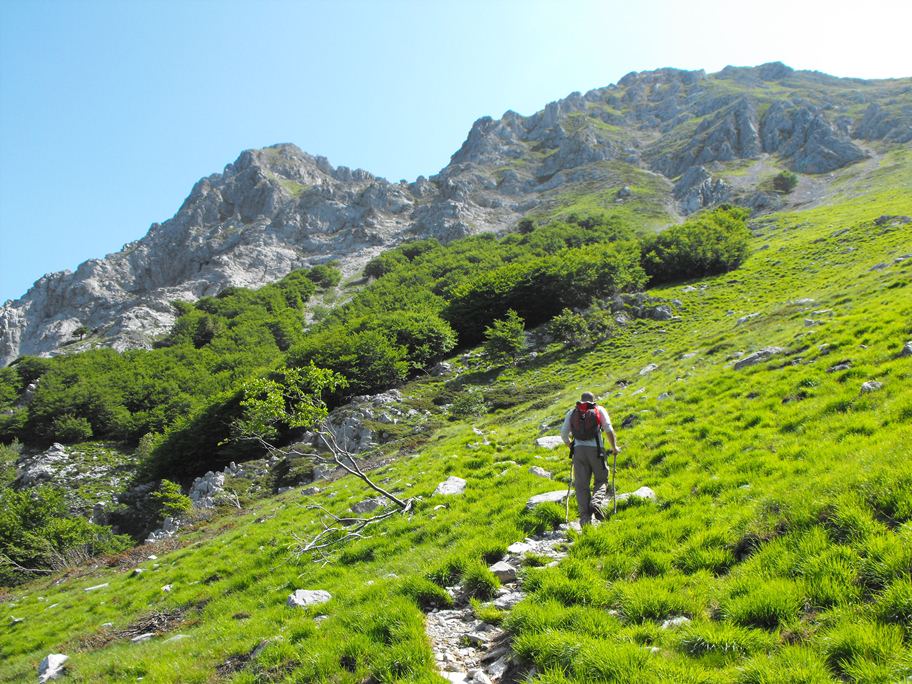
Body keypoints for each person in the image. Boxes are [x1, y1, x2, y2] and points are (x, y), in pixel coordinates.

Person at [560, 391, 620, 526]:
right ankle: (596, 502)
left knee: (581, 486)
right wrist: (614, 447)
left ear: (580, 400)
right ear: (593, 400)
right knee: (601, 479)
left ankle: (585, 519)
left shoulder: (572, 412)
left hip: (579, 452)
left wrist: (572, 447)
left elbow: (564, 434)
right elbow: (608, 429)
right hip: (597, 450)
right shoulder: (599, 410)